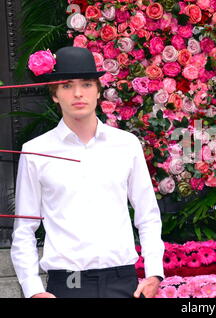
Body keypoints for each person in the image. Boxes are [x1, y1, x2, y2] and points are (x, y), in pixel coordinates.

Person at [10, 46, 165, 298]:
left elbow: (147, 215)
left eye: (87, 84)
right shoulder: (35, 151)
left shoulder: (126, 144)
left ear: (98, 90)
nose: (78, 93)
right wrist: (33, 289)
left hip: (123, 282)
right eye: (68, 85)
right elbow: (24, 229)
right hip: (67, 284)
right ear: (55, 95)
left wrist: (154, 273)